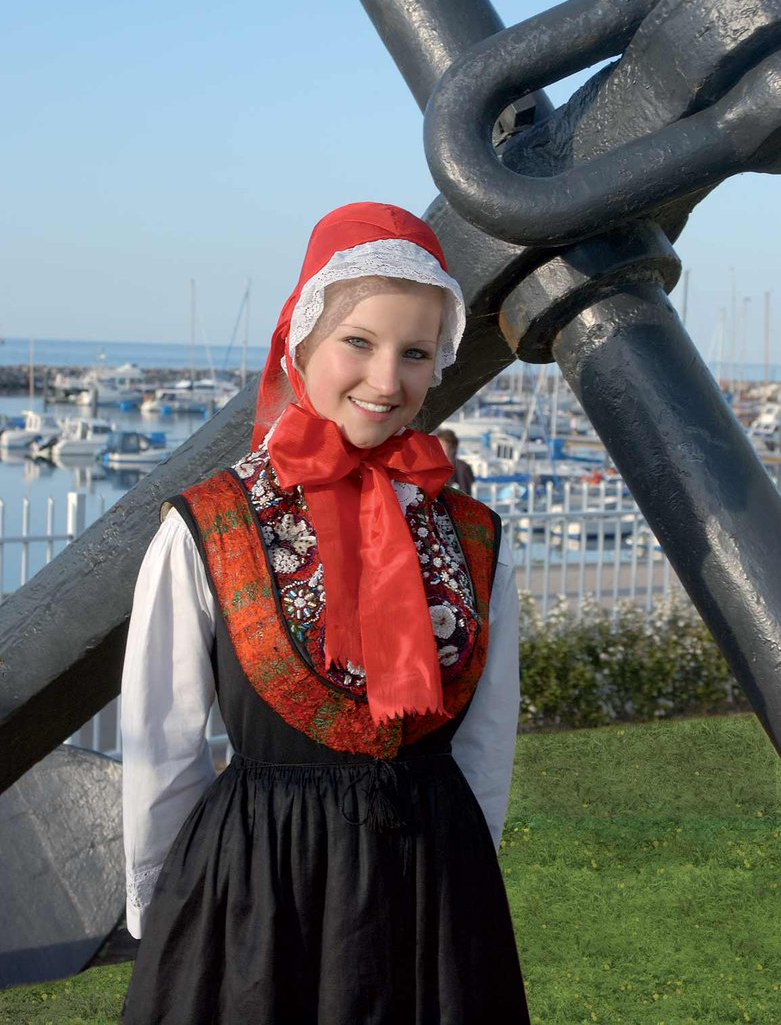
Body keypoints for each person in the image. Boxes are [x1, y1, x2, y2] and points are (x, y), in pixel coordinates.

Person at [121, 202, 530, 1024]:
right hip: (259, 886)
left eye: (415, 353)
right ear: (299, 341)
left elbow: (486, 737)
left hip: (434, 883)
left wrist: (466, 881)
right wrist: (164, 911)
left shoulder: (475, 537)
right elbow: (161, 742)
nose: (387, 381)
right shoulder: (207, 525)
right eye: (359, 343)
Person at [436, 427, 476, 496]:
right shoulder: (434, 466)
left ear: (453, 447)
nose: (438, 448)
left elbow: (466, 494)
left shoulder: (463, 468)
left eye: (442, 445)